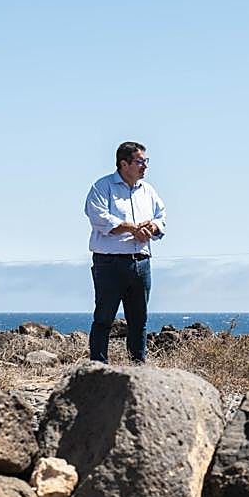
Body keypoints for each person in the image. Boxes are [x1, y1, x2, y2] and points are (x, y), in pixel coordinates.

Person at [84, 141, 166, 363]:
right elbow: (99, 218)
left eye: (145, 161)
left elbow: (161, 216)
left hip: (141, 263)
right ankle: (98, 370)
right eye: (140, 161)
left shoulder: (148, 191)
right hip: (109, 264)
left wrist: (152, 228)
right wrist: (132, 227)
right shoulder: (102, 187)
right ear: (124, 163)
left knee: (139, 321)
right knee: (103, 319)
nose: (145, 166)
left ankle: (138, 369)